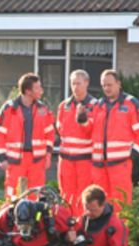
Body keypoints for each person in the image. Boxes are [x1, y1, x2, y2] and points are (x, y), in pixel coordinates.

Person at [91, 69, 139, 210]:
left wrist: (133, 154)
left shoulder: (131, 104)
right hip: (99, 164)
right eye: (104, 85)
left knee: (121, 201)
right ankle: (103, 230)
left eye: (110, 85)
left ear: (119, 84)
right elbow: (90, 130)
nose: (106, 88)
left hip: (120, 163)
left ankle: (121, 230)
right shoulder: (98, 105)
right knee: (100, 202)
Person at [0, 73, 55, 199]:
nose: (41, 91)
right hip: (15, 160)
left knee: (37, 193)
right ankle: (12, 217)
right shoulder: (9, 108)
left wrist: (48, 155)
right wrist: (1, 158)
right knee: (13, 193)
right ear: (27, 91)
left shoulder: (43, 109)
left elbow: (49, 133)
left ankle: (35, 218)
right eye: (37, 88)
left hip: (37, 160)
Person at [56, 70, 98, 215]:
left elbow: (94, 131)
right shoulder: (64, 106)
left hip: (84, 160)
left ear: (86, 83)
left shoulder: (95, 105)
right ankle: (67, 225)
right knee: (66, 194)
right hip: (66, 160)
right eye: (73, 83)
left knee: (84, 194)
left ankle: (81, 225)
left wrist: (83, 120)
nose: (75, 87)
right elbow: (60, 130)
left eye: (78, 83)